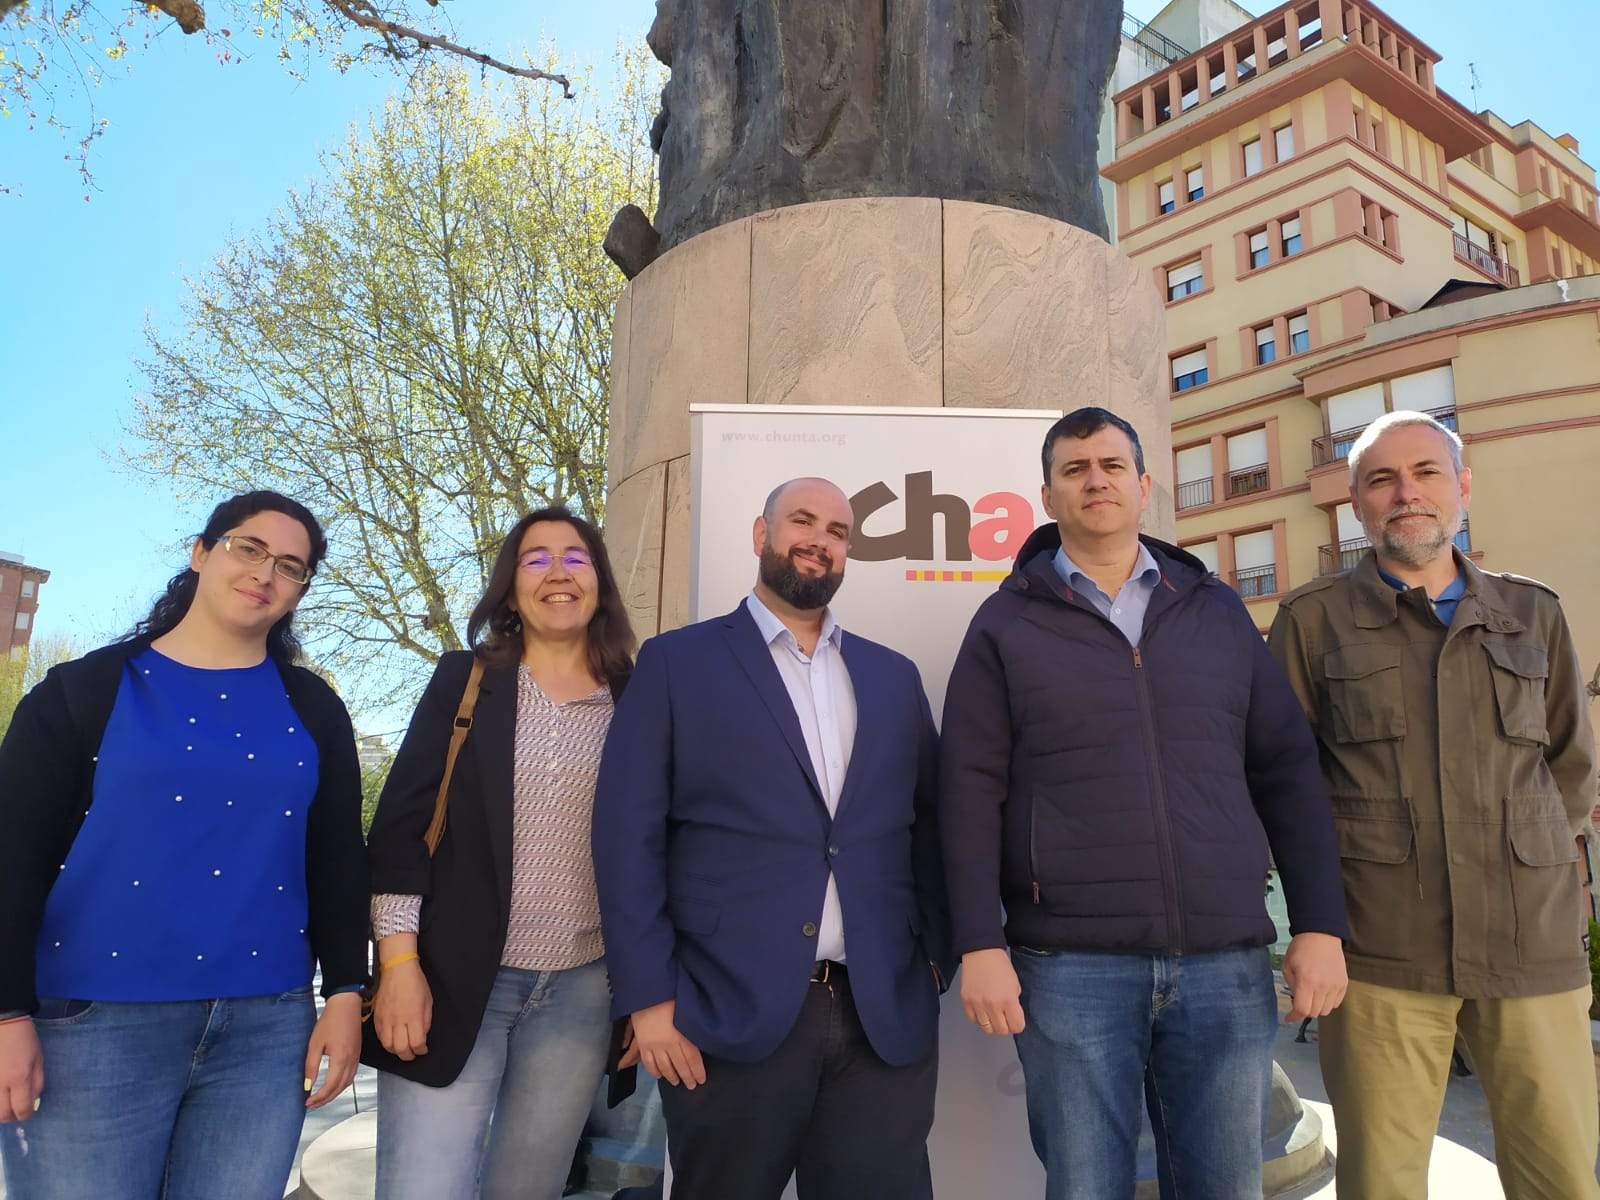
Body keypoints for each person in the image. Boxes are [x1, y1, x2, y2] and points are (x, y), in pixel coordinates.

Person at [942, 407, 1350, 1200]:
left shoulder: (1216, 612)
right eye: (1074, 469)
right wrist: (977, 942)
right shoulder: (1005, 625)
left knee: (1224, 1187)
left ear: (1144, 485)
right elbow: (965, 790)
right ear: (1048, 495)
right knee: (1086, 1186)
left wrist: (1321, 924)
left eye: (1111, 465)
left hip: (1222, 965)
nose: (1095, 479)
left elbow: (1288, 771)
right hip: (1069, 967)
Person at [0, 490, 368, 1200]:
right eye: (248, 548)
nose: (265, 572)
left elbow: (337, 858)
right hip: (92, 1028)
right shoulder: (84, 692)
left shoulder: (314, 709)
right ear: (201, 553)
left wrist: (347, 993)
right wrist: (6, 1013)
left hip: (266, 1030)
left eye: (290, 566)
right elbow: (11, 859)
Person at [1269, 410, 1599, 1200]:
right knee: (1382, 1183)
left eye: (1425, 473)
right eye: (1381, 479)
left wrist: (1549, 876)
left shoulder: (1534, 613)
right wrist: (1310, 928)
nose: (1405, 494)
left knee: (1560, 1175)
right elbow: (1284, 785)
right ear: (1356, 503)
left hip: (1533, 949)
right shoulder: (1311, 622)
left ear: (1462, 488)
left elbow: (1570, 768)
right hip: (1383, 951)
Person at [593, 477, 953, 1200]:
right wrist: (649, 1000)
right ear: (762, 535)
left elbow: (933, 829)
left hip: (879, 1015)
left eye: (838, 531)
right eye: (802, 520)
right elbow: (626, 836)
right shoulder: (676, 664)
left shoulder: (891, 676)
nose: (819, 540)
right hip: (726, 1016)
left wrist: (934, 963)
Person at [364, 506, 638, 1200]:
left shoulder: (636, 695)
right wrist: (397, 964)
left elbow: (655, 852)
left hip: (583, 991)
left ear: (599, 583)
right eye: (534, 558)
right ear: (510, 587)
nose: (556, 572)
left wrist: (644, 991)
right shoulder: (467, 680)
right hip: (454, 984)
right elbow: (402, 831)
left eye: (575, 558)